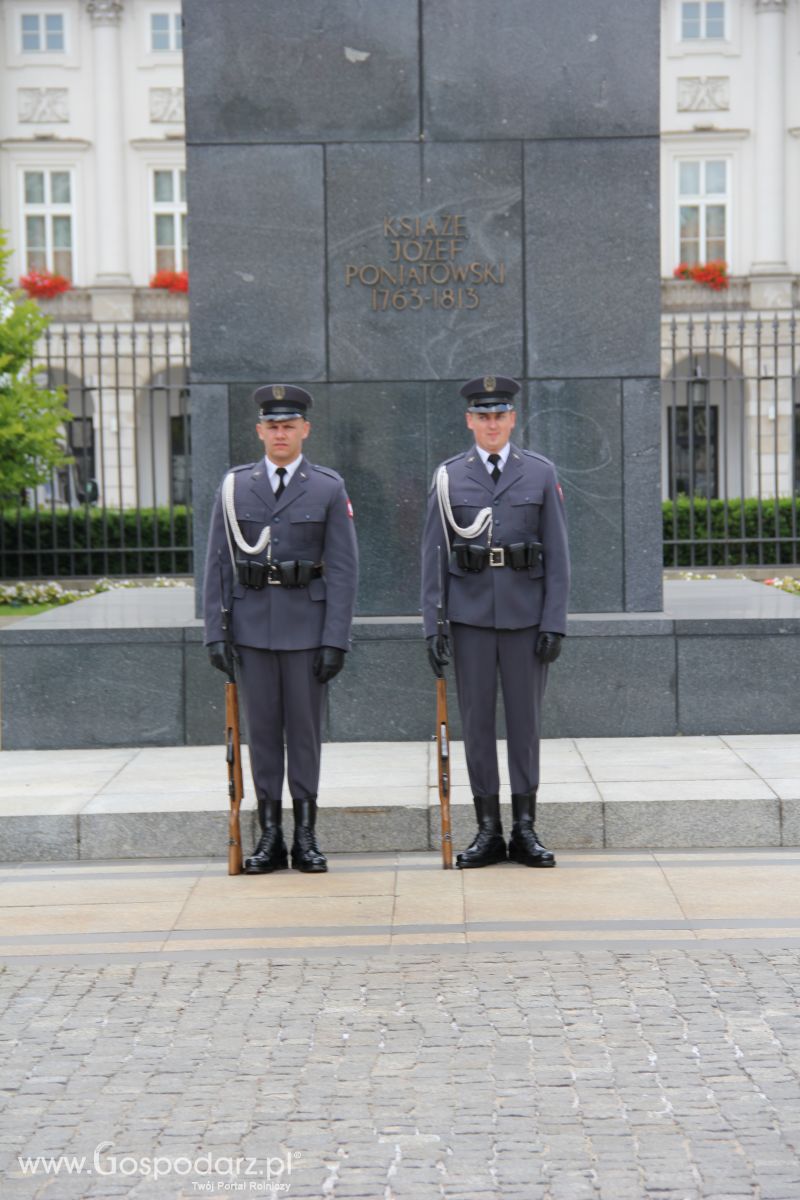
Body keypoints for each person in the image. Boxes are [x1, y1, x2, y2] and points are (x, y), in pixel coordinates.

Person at [203, 384, 358, 874]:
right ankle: (270, 836)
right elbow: (217, 565)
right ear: (259, 431)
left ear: (305, 430)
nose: (280, 433)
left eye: (289, 425)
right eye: (272, 426)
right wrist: (215, 632)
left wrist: (335, 638)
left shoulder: (327, 487)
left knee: (306, 735)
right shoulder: (234, 486)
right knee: (263, 734)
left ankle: (305, 836)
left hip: (307, 629)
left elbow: (344, 569)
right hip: (250, 629)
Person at [420, 374, 570, 869]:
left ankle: (525, 829)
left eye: (499, 415)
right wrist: (433, 624)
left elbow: (560, 555)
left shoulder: (540, 473)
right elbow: (433, 555)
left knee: (525, 725)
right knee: (478, 725)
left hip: (526, 617)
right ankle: (488, 830)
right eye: (482, 416)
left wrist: (554, 621)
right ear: (469, 421)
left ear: (512, 419)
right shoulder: (449, 477)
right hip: (470, 618)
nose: (491, 423)